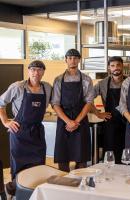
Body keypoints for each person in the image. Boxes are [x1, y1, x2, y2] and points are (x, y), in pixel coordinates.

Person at [0, 60, 52, 195]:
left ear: (43, 72)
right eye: (33, 70)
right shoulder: (17, 86)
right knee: (19, 167)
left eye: (39, 70)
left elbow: (56, 103)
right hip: (19, 132)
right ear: (28, 71)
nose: (36, 73)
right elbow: (1, 103)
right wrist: (6, 122)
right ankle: (14, 192)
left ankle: (34, 195)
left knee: (38, 167)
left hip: (37, 132)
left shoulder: (47, 88)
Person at [51, 49, 94, 172]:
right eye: (70, 58)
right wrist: (68, 121)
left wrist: (76, 121)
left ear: (79, 60)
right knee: (62, 158)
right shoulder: (58, 79)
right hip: (63, 121)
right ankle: (63, 185)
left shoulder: (86, 79)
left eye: (75, 58)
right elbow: (55, 103)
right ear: (65, 60)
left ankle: (81, 185)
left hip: (80, 121)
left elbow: (89, 102)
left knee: (81, 160)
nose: (72, 60)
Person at [92, 56, 126, 163]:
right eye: (113, 66)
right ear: (109, 68)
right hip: (110, 124)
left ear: (122, 66)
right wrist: (98, 114)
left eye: (118, 65)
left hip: (128, 123)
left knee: (126, 153)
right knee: (110, 155)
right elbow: (88, 99)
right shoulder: (102, 84)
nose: (116, 68)